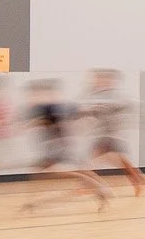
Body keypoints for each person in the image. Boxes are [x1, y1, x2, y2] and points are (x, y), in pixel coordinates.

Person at [25, 81, 107, 211]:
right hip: (57, 151)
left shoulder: (54, 112)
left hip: (59, 152)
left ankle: (101, 191)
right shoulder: (49, 113)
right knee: (79, 172)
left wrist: (92, 111)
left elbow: (75, 113)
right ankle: (101, 192)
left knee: (77, 173)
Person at [84, 70, 145, 197]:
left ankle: (85, 186)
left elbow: (133, 105)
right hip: (104, 135)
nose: (98, 82)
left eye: (101, 79)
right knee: (119, 161)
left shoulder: (116, 96)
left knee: (91, 161)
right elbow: (95, 112)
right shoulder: (97, 95)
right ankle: (138, 180)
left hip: (111, 135)